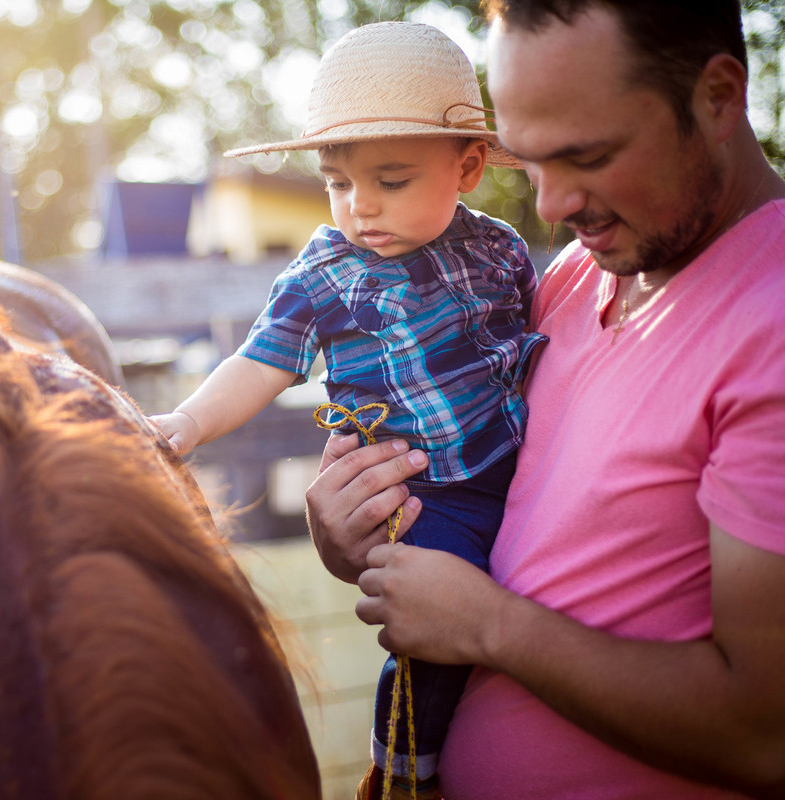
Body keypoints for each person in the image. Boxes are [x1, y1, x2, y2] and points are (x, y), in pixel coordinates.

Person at [306, 2, 785, 798]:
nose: (554, 207)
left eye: (587, 156)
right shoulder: (573, 275)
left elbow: (764, 734)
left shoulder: (771, 324)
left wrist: (488, 627)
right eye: (529, 162)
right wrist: (357, 532)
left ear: (719, 97)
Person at [150, 22, 543, 795]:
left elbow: (528, 343)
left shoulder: (498, 249)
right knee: (434, 617)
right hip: (431, 489)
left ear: (466, 167)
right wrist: (187, 423)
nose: (359, 207)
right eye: (337, 182)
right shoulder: (324, 274)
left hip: (522, 463)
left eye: (391, 180)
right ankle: (404, 766)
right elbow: (258, 363)